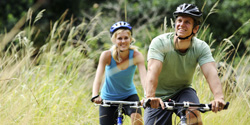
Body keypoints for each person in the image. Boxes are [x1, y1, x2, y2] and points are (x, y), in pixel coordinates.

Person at [144, 3, 226, 125]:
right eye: (179, 20)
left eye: (187, 22)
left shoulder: (201, 47)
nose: (181, 24)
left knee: (193, 115)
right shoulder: (160, 43)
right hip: (157, 96)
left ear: (195, 28)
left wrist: (219, 98)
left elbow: (211, 73)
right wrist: (150, 97)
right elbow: (153, 71)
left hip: (183, 91)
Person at [91, 21, 146, 125]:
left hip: (129, 96)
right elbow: (98, 77)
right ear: (114, 40)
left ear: (130, 39)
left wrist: (147, 96)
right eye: (119, 38)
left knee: (137, 121)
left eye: (126, 38)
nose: (123, 41)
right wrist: (95, 95)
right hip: (108, 97)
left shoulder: (136, 56)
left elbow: (144, 78)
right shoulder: (106, 55)